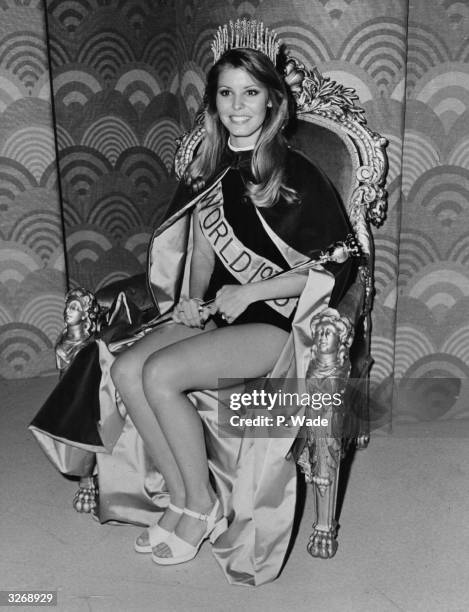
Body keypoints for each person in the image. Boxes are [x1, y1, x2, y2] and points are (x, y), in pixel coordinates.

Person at [107, 22, 356, 577]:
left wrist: (252, 291)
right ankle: (182, 496)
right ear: (213, 102)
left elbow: (334, 267)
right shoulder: (207, 168)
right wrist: (192, 301)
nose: (238, 104)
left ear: (272, 101)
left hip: (277, 321)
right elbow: (198, 250)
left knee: (160, 374)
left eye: (251, 92)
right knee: (127, 369)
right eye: (226, 92)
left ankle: (201, 506)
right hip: (221, 309)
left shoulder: (296, 175)